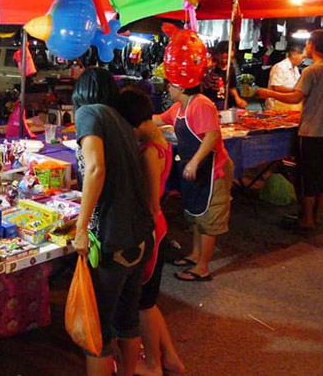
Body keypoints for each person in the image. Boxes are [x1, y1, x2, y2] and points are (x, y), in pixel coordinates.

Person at [71, 68, 154, 376]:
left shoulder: (89, 114)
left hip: (113, 238)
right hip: (139, 237)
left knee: (97, 333)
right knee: (127, 321)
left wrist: (81, 229)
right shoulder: (121, 121)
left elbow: (95, 170)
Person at [116, 88, 185, 376]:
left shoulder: (148, 152)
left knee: (142, 303)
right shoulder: (160, 142)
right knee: (149, 301)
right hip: (157, 227)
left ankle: (153, 365)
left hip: (150, 229)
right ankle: (170, 358)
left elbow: (152, 202)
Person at [257, 30, 323, 230]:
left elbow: (295, 98)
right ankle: (315, 216)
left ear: (311, 45)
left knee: (307, 176)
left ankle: (307, 220)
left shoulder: (311, 71)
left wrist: (268, 93)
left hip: (311, 132)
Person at [154, 81, 233, 281]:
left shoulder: (201, 104)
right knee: (197, 214)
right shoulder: (180, 107)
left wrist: (195, 162)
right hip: (195, 169)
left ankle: (202, 268)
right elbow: (159, 119)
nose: (168, 90)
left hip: (213, 169)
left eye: (170, 86)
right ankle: (196, 255)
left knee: (208, 218)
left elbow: (212, 135)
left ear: (180, 87)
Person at [201, 41, 247, 110]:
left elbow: (232, 87)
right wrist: (207, 68)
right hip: (208, 101)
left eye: (229, 58)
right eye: (224, 58)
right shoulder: (211, 67)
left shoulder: (230, 69)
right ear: (218, 54)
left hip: (222, 102)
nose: (226, 61)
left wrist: (237, 98)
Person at [265, 43, 305, 111]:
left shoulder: (295, 69)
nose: (303, 60)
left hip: (290, 106)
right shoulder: (280, 67)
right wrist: (297, 91)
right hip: (277, 106)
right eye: (303, 57)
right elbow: (277, 87)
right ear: (294, 54)